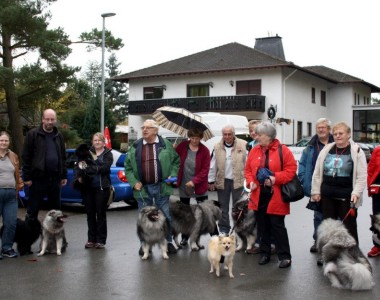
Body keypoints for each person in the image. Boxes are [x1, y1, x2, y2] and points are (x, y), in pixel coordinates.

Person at [124, 119, 180, 255]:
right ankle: (144, 244)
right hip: (142, 188)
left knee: (165, 216)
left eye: (148, 128)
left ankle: (168, 242)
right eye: (143, 127)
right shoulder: (135, 146)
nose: (144, 130)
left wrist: (172, 176)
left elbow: (176, 162)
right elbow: (128, 167)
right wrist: (133, 182)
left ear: (156, 130)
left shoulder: (165, 145)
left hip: (162, 186)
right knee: (143, 218)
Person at [245, 122, 296, 268]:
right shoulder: (255, 150)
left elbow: (291, 170)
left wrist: (275, 178)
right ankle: (264, 253)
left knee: (277, 226)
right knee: (262, 226)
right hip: (258, 194)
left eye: (260, 135)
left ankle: (285, 256)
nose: (257, 137)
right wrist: (251, 182)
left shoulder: (283, 150)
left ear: (269, 136)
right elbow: (248, 170)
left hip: (276, 194)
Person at [311, 122, 367, 244]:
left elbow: (361, 176)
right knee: (328, 228)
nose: (337, 136)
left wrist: (357, 192)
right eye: (335, 134)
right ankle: (328, 254)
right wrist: (315, 191)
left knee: (349, 229)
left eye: (341, 133)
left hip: (347, 197)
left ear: (348, 135)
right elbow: (317, 172)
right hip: (327, 196)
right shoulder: (327, 149)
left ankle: (352, 256)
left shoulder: (356, 151)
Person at [22, 109, 67, 220]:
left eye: (52, 119)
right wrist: (26, 177)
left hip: (55, 179)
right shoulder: (32, 135)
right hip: (38, 179)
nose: (50, 122)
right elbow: (26, 157)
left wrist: (63, 175)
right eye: (47, 119)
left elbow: (62, 156)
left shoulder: (58, 136)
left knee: (56, 212)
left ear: (55, 120)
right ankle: (29, 236)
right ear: (42, 119)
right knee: (33, 210)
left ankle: (55, 236)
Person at [298, 118, 334, 253]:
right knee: (318, 215)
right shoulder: (310, 146)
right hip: (316, 186)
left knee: (332, 216)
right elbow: (302, 164)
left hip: (332, 186)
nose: (320, 129)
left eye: (323, 127)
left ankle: (331, 241)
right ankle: (318, 240)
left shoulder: (335, 143)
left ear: (329, 129)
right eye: (318, 127)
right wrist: (303, 178)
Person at [175, 127, 215, 246]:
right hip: (184, 184)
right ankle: (185, 237)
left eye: (197, 138)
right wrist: (173, 150)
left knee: (206, 212)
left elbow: (205, 170)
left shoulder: (204, 150)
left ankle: (215, 236)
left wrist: (194, 181)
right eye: (192, 138)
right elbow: (175, 160)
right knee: (185, 213)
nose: (194, 140)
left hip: (199, 185)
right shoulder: (182, 146)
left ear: (201, 138)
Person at [74, 133, 113, 249]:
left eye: (99, 140)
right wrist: (79, 175)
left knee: (100, 214)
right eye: (95, 140)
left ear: (103, 142)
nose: (97, 142)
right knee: (90, 214)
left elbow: (105, 168)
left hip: (101, 188)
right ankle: (91, 239)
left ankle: (101, 240)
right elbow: (79, 166)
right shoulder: (87, 152)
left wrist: (91, 168)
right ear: (92, 142)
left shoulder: (108, 154)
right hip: (88, 188)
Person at [208, 124, 247, 235]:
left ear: (233, 134)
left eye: (229, 134)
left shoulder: (243, 145)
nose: (227, 136)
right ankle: (224, 229)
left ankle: (238, 229)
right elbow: (212, 165)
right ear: (222, 135)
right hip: (223, 181)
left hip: (238, 180)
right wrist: (210, 181)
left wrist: (248, 180)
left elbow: (248, 163)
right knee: (223, 208)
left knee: (238, 207)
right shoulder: (216, 146)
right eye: (225, 134)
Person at [0, 132, 24, 259]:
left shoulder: (13, 155)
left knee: (11, 223)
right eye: (1, 140)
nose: (3, 143)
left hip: (11, 195)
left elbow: (17, 173)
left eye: (6, 141)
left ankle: (7, 248)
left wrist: (20, 184)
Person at [367, 145, 380, 257]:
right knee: (377, 220)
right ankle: (377, 245)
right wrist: (369, 187)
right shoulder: (377, 150)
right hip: (378, 191)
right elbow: (371, 170)